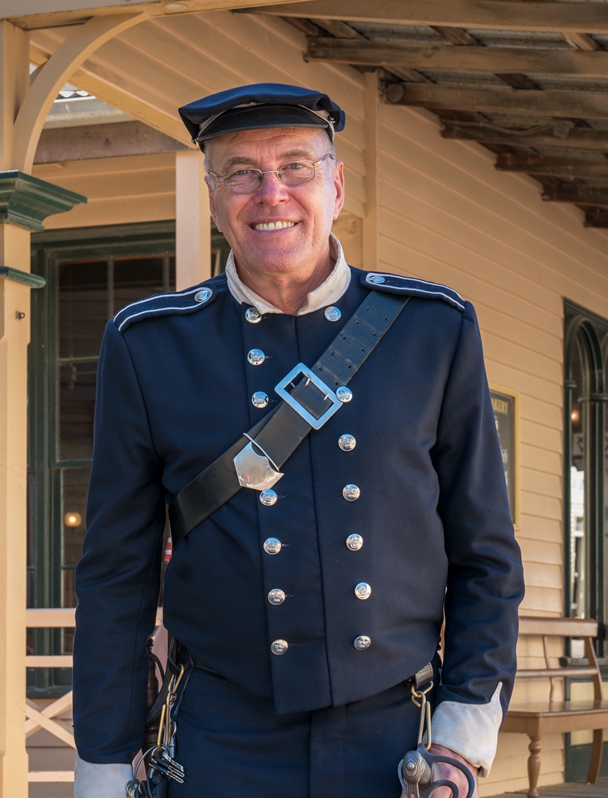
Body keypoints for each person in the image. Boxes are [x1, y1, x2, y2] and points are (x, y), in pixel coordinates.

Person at [72, 83, 524, 797]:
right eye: (242, 173)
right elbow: (115, 576)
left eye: (295, 167)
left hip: (395, 738)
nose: (270, 193)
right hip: (216, 742)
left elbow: (485, 554)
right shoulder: (149, 344)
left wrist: (461, 737)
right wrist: (104, 761)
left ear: (336, 187)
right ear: (214, 198)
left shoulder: (433, 329)